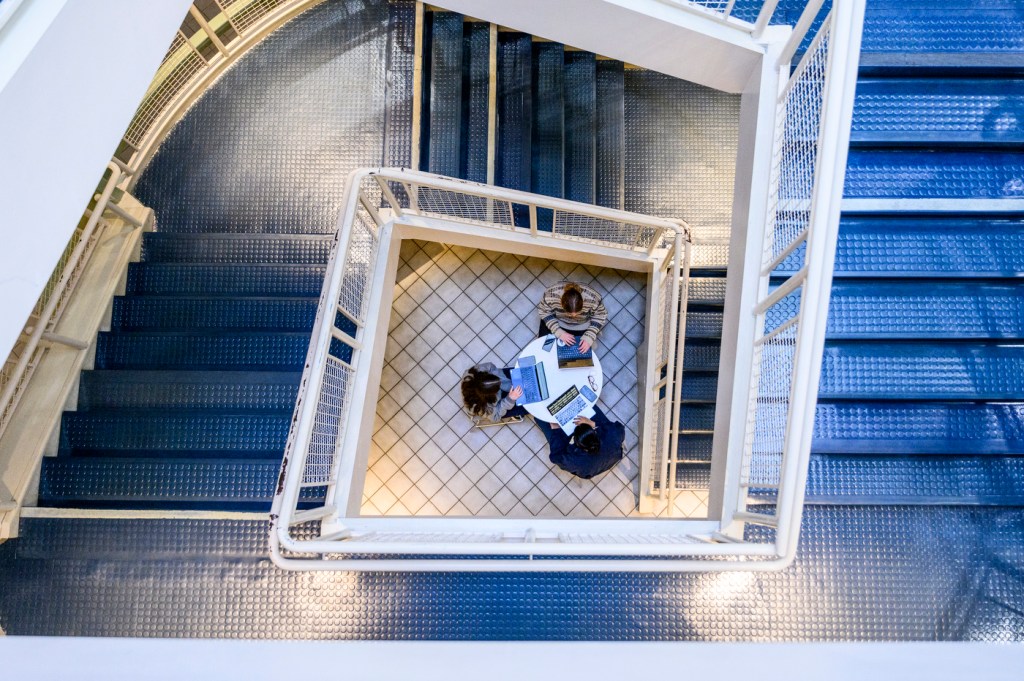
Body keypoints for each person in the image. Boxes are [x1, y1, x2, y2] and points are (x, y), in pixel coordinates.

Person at [537, 405, 625, 479]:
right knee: (590, 407)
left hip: (589, 469)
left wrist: (556, 430)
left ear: (576, 444)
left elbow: (555, 457)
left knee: (541, 420)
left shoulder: (574, 461)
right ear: (594, 432)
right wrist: (592, 423)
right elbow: (619, 427)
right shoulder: (613, 435)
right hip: (612, 457)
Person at [537, 281, 608, 353]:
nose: (573, 316)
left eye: (577, 312)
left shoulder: (594, 298)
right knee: (545, 349)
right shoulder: (550, 294)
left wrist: (589, 336)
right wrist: (559, 332)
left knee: (579, 353)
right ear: (561, 302)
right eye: (570, 313)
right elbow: (544, 311)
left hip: (581, 324)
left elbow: (600, 315)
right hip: (558, 321)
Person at [461, 362, 526, 425]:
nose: (499, 382)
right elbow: (495, 417)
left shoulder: (476, 371)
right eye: (497, 387)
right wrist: (510, 399)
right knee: (524, 406)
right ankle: (517, 413)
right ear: (489, 396)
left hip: (498, 385)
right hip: (496, 406)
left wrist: (508, 385)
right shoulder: (482, 407)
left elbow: (491, 367)